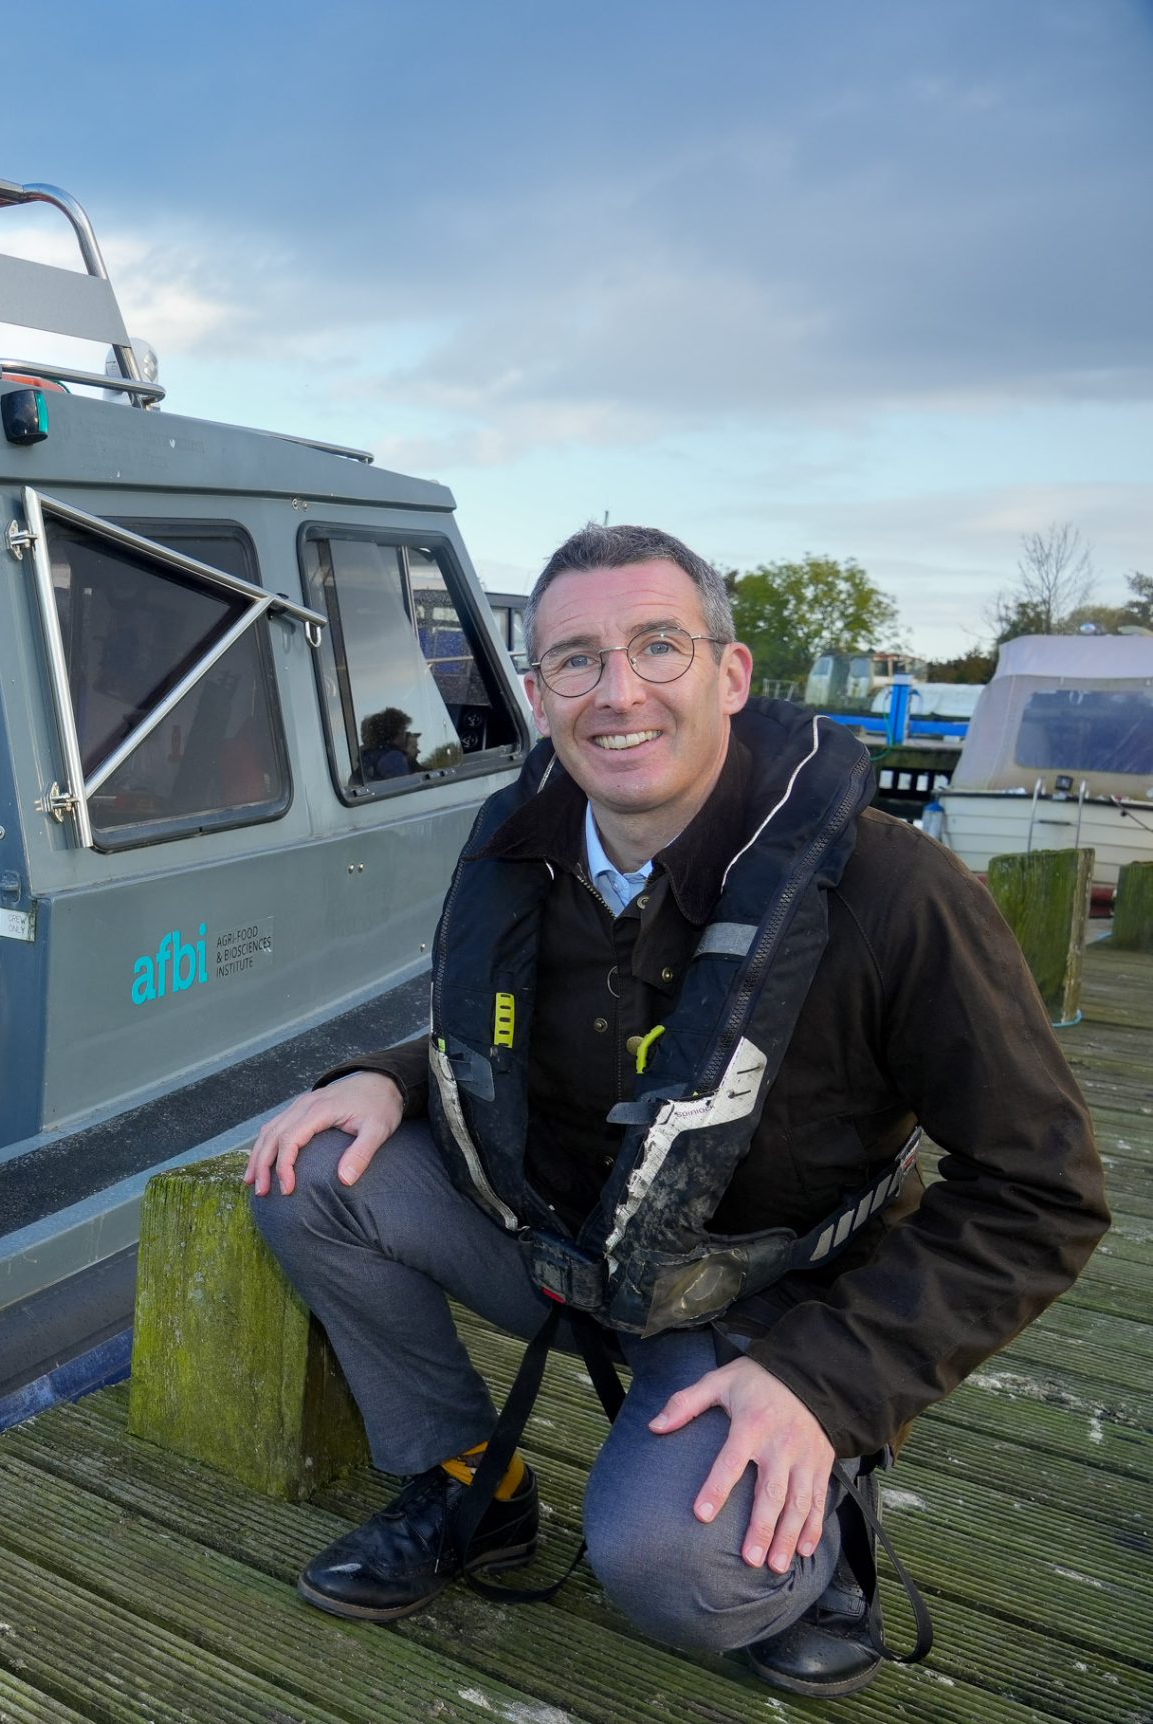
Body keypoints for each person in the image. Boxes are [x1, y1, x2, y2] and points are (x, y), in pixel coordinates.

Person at [247, 523, 1105, 1696]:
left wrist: (829, 1378)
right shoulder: (521, 853)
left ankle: (826, 1495)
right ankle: (470, 1481)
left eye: (658, 646)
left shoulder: (898, 891)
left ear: (730, 673)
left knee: (674, 1570)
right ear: (537, 691)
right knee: (306, 1172)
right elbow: (530, 1032)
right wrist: (390, 1075)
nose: (618, 693)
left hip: (767, 1295)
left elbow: (1041, 1190)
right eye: (575, 659)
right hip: (571, 1251)